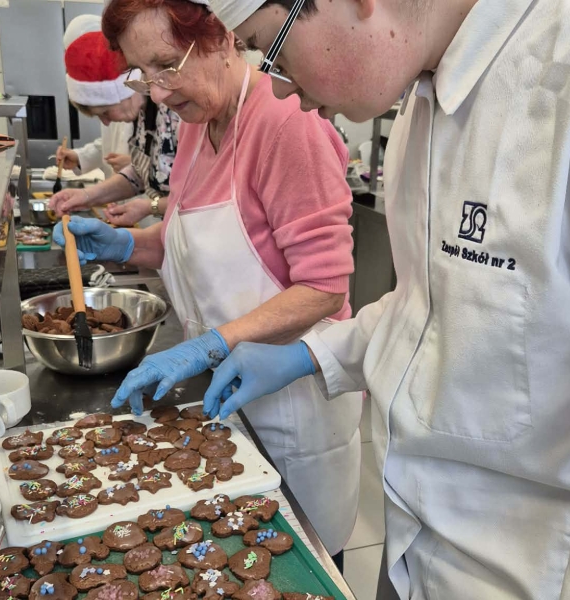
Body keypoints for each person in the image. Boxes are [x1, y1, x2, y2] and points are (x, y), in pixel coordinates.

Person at [202, 0, 570, 598]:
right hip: (410, 547)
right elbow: (436, 308)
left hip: (535, 577)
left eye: (268, 49)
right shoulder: (420, 98)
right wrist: (310, 354)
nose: (279, 88)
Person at [54, 0, 363, 565]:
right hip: (227, 411)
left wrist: (213, 343)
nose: (157, 93)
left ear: (222, 35)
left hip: (293, 416)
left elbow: (324, 287)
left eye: (166, 65)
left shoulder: (287, 122)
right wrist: (127, 244)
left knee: (295, 567)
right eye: (141, 74)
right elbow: (191, 239)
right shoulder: (198, 123)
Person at [49, 15, 181, 227]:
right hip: (166, 231)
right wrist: (86, 196)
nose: (106, 123)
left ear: (123, 92)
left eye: (106, 112)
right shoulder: (142, 111)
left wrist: (150, 207)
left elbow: (199, 194)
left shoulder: (175, 109)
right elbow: (140, 174)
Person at [57, 15, 133, 180]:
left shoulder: (136, 95)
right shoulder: (111, 99)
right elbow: (109, 143)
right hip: (120, 188)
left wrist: (136, 166)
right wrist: (81, 157)